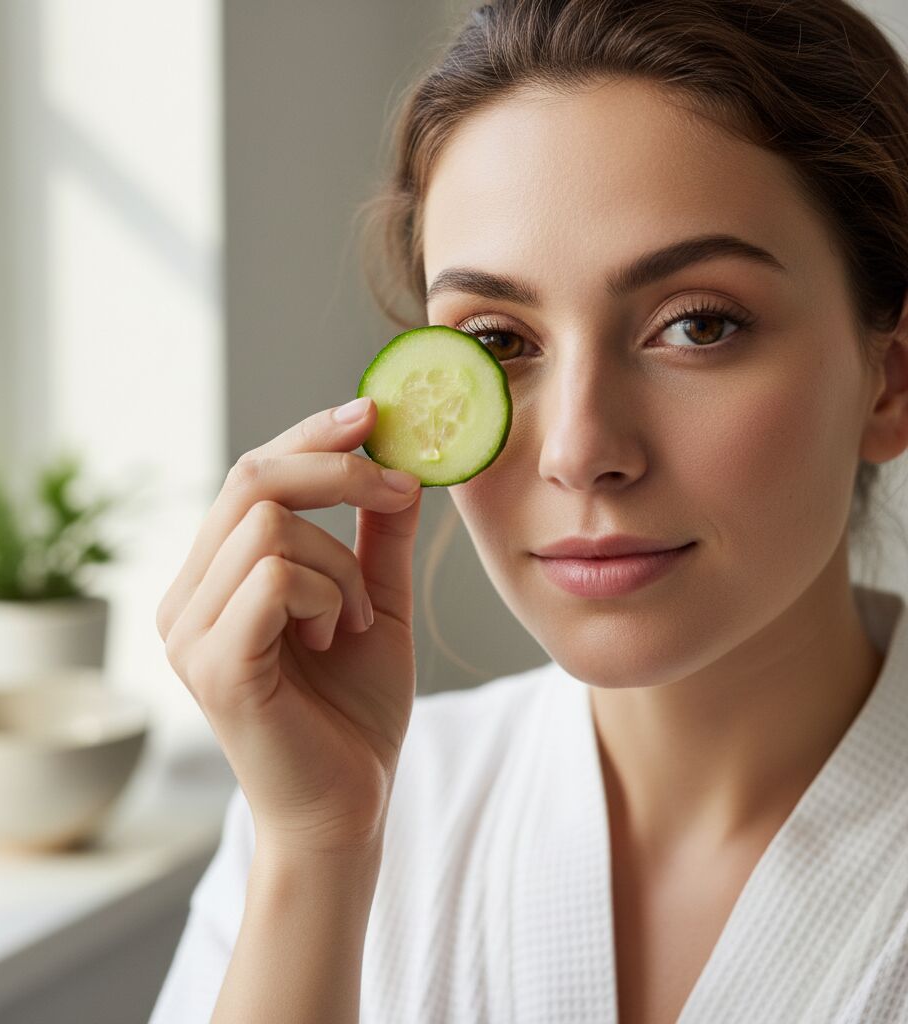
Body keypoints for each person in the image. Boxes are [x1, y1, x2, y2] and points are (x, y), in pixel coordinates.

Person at [148, 1, 908, 1021]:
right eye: (498, 341)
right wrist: (316, 854)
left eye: (697, 324)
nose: (579, 450)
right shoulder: (326, 811)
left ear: (888, 381)